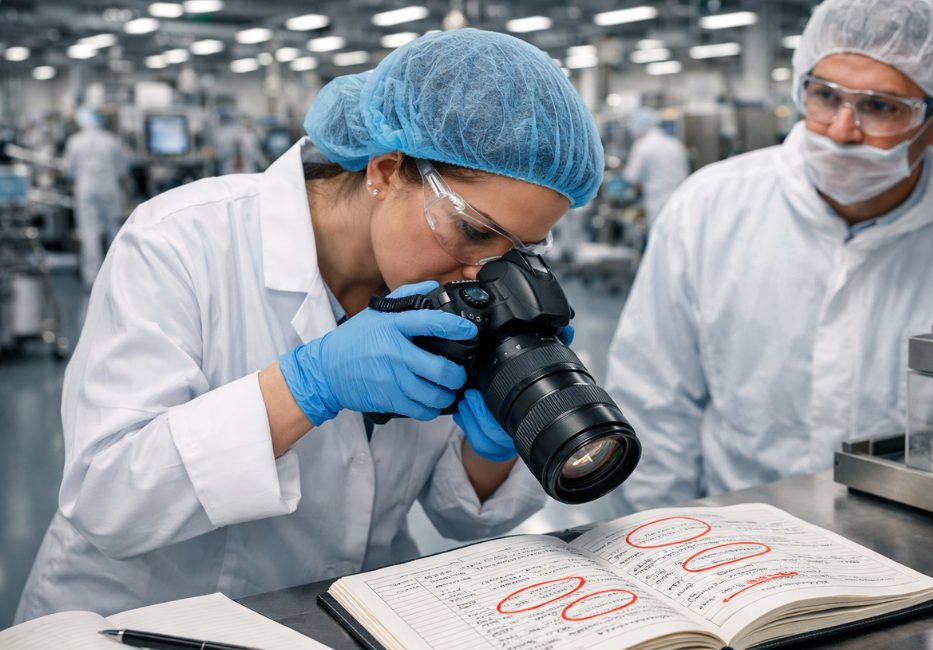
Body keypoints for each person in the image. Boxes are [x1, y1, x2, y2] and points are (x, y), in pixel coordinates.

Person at [15, 29, 603, 622]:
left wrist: (494, 442)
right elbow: (108, 499)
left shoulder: (459, 286)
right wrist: (303, 385)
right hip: (136, 622)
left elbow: (457, 514)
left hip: (333, 618)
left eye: (519, 249)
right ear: (386, 169)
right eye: (474, 231)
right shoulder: (182, 241)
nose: (485, 272)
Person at [606, 0, 933, 512]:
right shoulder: (710, 208)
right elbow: (654, 400)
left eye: (880, 106)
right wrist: (661, 543)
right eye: (825, 96)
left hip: (923, 549)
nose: (842, 130)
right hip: (737, 548)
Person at [62, 107, 128, 287]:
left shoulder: (74, 141)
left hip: (86, 188)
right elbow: (123, 170)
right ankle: (116, 274)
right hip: (110, 188)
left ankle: (92, 277)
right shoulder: (112, 140)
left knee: (89, 231)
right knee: (114, 230)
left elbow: (68, 171)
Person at [621, 107, 690, 226]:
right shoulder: (675, 144)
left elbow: (631, 177)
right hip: (680, 199)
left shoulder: (642, 145)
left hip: (656, 201)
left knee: (657, 236)